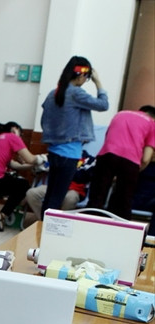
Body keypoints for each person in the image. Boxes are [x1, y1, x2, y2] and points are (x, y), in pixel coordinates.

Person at [40, 56, 108, 217]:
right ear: (81, 75)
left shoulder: (53, 93)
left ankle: (41, 231)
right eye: (88, 76)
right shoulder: (76, 93)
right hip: (69, 154)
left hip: (54, 152)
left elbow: (44, 121)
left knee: (50, 196)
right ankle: (46, 236)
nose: (86, 80)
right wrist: (98, 83)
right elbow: (103, 105)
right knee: (56, 200)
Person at [86, 106, 155, 219]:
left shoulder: (120, 114)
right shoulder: (152, 124)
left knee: (96, 198)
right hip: (130, 161)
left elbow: (109, 138)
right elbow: (146, 158)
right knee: (122, 203)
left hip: (106, 155)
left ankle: (88, 226)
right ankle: (117, 230)